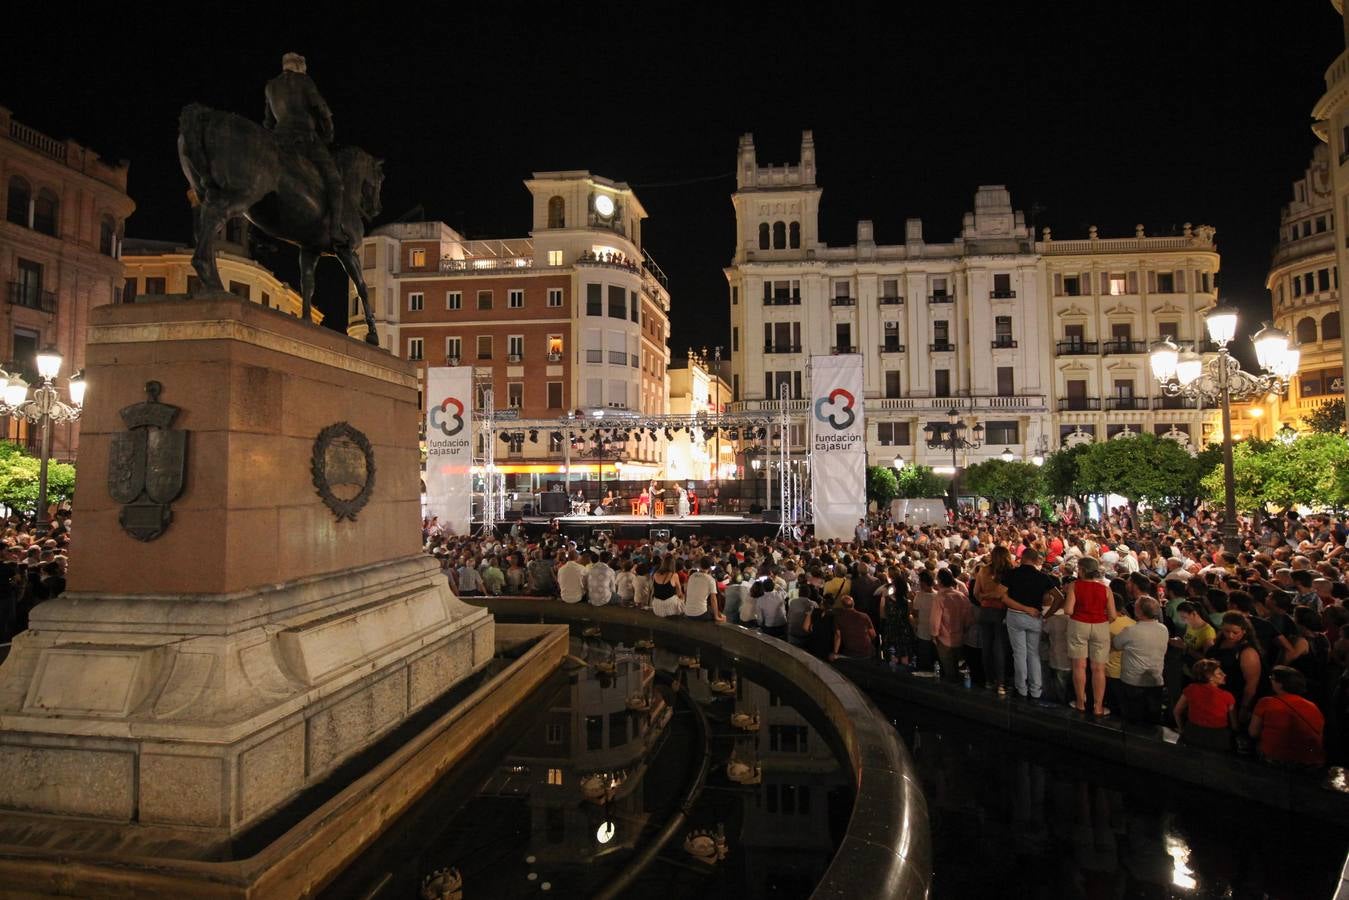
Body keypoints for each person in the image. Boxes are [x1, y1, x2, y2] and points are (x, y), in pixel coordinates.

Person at [264, 53, 347, 246]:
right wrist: (328, 130)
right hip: (304, 137)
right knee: (336, 182)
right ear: (300, 66)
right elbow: (321, 107)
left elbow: (268, 121)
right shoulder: (304, 81)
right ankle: (335, 229)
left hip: (279, 138)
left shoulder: (271, 86)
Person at [1001, 547, 1059, 700]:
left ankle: (1021, 688)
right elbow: (1059, 597)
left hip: (1016, 615)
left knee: (1019, 654)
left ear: (1022, 557)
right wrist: (1047, 614)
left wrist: (1024, 608)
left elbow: (1003, 598)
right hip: (1035, 617)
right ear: (1036, 560)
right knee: (1033, 654)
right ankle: (1036, 690)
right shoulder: (1042, 577)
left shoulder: (1011, 574)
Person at [1063, 556, 1117, 716]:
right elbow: (1113, 615)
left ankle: (1080, 703)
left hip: (1079, 625)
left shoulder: (1075, 586)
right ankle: (1098, 707)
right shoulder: (1106, 589)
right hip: (1100, 626)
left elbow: (1068, 610)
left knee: (1079, 666)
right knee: (1099, 668)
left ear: (1082, 570)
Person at [1250, 666, 1325, 768]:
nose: (1270, 681)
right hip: (1310, 761)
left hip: (1277, 758)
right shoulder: (1313, 706)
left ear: (1280, 684)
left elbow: (1253, 732)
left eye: (1271, 678)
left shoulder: (1266, 702)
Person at [1111, 596, 1169, 724]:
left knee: (1133, 719)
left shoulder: (1131, 630)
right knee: (1152, 720)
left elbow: (1116, 644)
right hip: (1155, 680)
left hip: (1133, 682)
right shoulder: (1163, 629)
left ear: (1139, 612)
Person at [1207, 612, 1266, 727]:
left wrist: (1244, 709)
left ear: (1244, 631)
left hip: (1234, 697)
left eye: (1235, 632)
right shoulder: (1220, 641)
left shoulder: (1247, 652)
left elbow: (1251, 685)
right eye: (1226, 631)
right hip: (1216, 695)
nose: (1230, 636)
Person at [974, 545, 1013, 694]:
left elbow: (977, 592)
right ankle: (1001, 683)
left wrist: (984, 598)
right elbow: (1001, 594)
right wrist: (994, 596)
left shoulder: (983, 570)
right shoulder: (1010, 572)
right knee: (1000, 647)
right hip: (1002, 612)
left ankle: (989, 680)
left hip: (985, 611)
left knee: (987, 647)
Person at [1173, 658, 1235, 750]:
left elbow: (1177, 712)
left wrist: (1182, 730)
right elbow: (1234, 725)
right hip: (1217, 739)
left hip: (1192, 734)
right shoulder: (1227, 696)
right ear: (1209, 677)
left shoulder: (1191, 689)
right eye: (1219, 673)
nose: (1224, 675)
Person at [930, 568, 972, 683]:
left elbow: (935, 620)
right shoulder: (962, 596)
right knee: (960, 669)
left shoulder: (940, 598)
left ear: (940, 581)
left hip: (944, 639)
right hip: (960, 638)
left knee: (949, 671)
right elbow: (969, 619)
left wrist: (934, 635)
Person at [833, 595, 877, 660]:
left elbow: (838, 636)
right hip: (867, 652)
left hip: (851, 653)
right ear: (854, 604)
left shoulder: (839, 618)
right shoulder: (864, 616)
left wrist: (835, 653)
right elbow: (873, 635)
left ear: (842, 605)